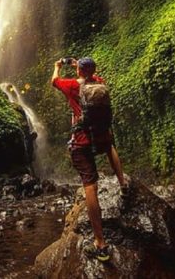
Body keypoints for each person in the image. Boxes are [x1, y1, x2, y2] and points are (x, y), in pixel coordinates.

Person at [51, 56, 127, 262]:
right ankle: (123, 183)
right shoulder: (100, 82)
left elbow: (54, 81)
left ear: (79, 71)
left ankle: (100, 243)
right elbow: (88, 75)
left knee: (90, 186)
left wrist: (58, 67)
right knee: (110, 145)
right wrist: (81, 66)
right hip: (102, 136)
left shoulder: (73, 86)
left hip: (83, 141)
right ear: (94, 70)